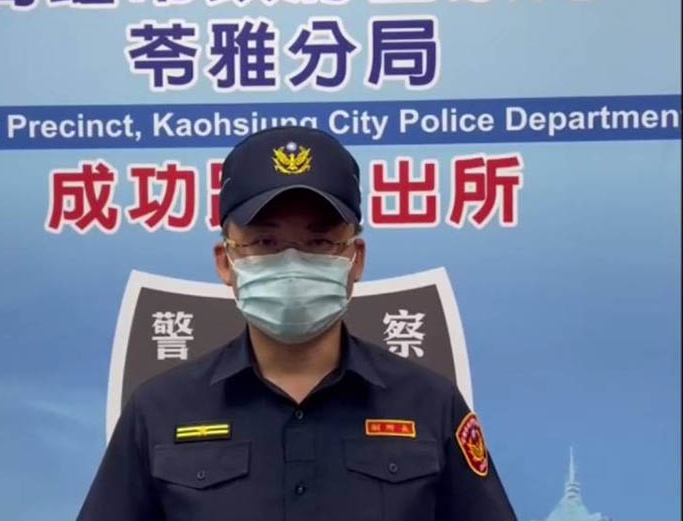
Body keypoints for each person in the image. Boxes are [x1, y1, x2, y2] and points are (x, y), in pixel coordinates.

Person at [76, 126, 517, 521]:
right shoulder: (159, 409)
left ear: (355, 259)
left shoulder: (430, 403)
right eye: (265, 242)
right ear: (226, 261)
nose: (292, 264)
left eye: (319, 241)